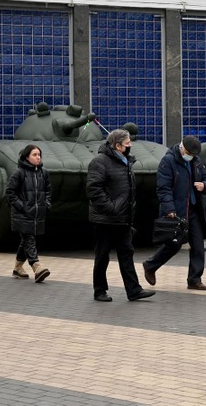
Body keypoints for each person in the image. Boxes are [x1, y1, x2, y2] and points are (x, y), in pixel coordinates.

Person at [87, 129, 155, 302]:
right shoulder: (100, 162)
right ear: (117, 146)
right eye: (127, 144)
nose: (130, 146)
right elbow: (94, 190)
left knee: (126, 253)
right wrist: (110, 208)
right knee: (102, 255)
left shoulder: (126, 162)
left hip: (123, 218)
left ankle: (134, 290)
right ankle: (99, 290)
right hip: (105, 219)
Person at [143, 135, 206, 290]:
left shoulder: (197, 161)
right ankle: (150, 265)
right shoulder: (168, 161)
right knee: (174, 245)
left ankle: (194, 279)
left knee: (198, 246)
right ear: (182, 148)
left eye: (194, 154)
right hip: (177, 210)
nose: (191, 156)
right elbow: (163, 188)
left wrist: (204, 185)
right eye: (189, 153)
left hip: (194, 210)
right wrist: (169, 209)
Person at [5, 144, 51, 283]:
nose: (38, 157)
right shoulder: (19, 173)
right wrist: (22, 206)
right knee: (29, 240)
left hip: (37, 215)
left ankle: (18, 268)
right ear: (27, 157)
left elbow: (48, 191)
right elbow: (9, 192)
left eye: (39, 155)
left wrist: (46, 205)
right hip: (22, 215)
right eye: (34, 155)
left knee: (26, 241)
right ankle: (36, 267)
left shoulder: (44, 173)